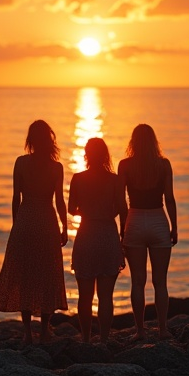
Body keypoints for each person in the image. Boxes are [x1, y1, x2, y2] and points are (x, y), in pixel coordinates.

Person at [0, 120, 68, 344]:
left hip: (25, 219)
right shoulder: (56, 167)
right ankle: (44, 330)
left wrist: (16, 224)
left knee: (25, 276)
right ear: (50, 140)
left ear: (30, 140)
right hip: (46, 221)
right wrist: (64, 227)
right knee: (47, 275)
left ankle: (26, 332)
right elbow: (60, 201)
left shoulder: (21, 163)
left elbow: (16, 197)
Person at [118, 124, 178, 340]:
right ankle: (163, 330)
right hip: (158, 220)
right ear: (154, 141)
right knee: (160, 282)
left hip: (134, 220)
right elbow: (169, 198)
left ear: (133, 141)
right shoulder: (163, 164)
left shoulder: (125, 165)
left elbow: (120, 201)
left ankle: (140, 331)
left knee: (137, 281)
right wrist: (174, 226)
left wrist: (123, 227)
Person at [68, 138, 125, 343]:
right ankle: (104, 339)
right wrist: (123, 236)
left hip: (87, 235)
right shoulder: (115, 180)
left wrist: (86, 209)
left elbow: (71, 209)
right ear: (105, 155)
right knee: (106, 296)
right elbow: (121, 208)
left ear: (86, 154)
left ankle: (85, 338)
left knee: (85, 296)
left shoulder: (78, 178)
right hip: (108, 234)